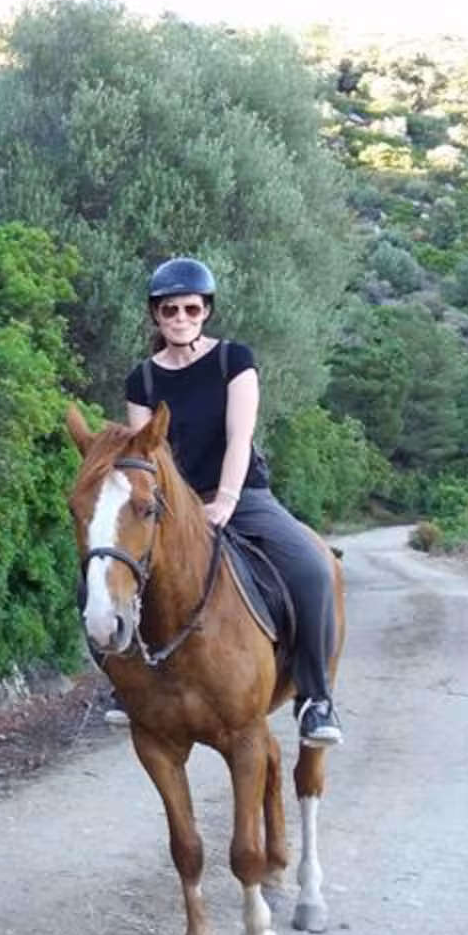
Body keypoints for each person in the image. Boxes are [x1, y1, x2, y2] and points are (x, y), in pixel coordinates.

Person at [124, 256, 344, 748]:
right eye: (169, 310)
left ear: (206, 311)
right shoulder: (142, 380)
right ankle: (124, 685)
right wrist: (176, 512)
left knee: (312, 569)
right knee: (108, 570)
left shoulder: (233, 361)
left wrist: (224, 501)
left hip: (242, 495)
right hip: (172, 508)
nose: (180, 318)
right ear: (155, 315)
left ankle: (315, 697)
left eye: (190, 308)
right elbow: (146, 456)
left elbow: (239, 437)